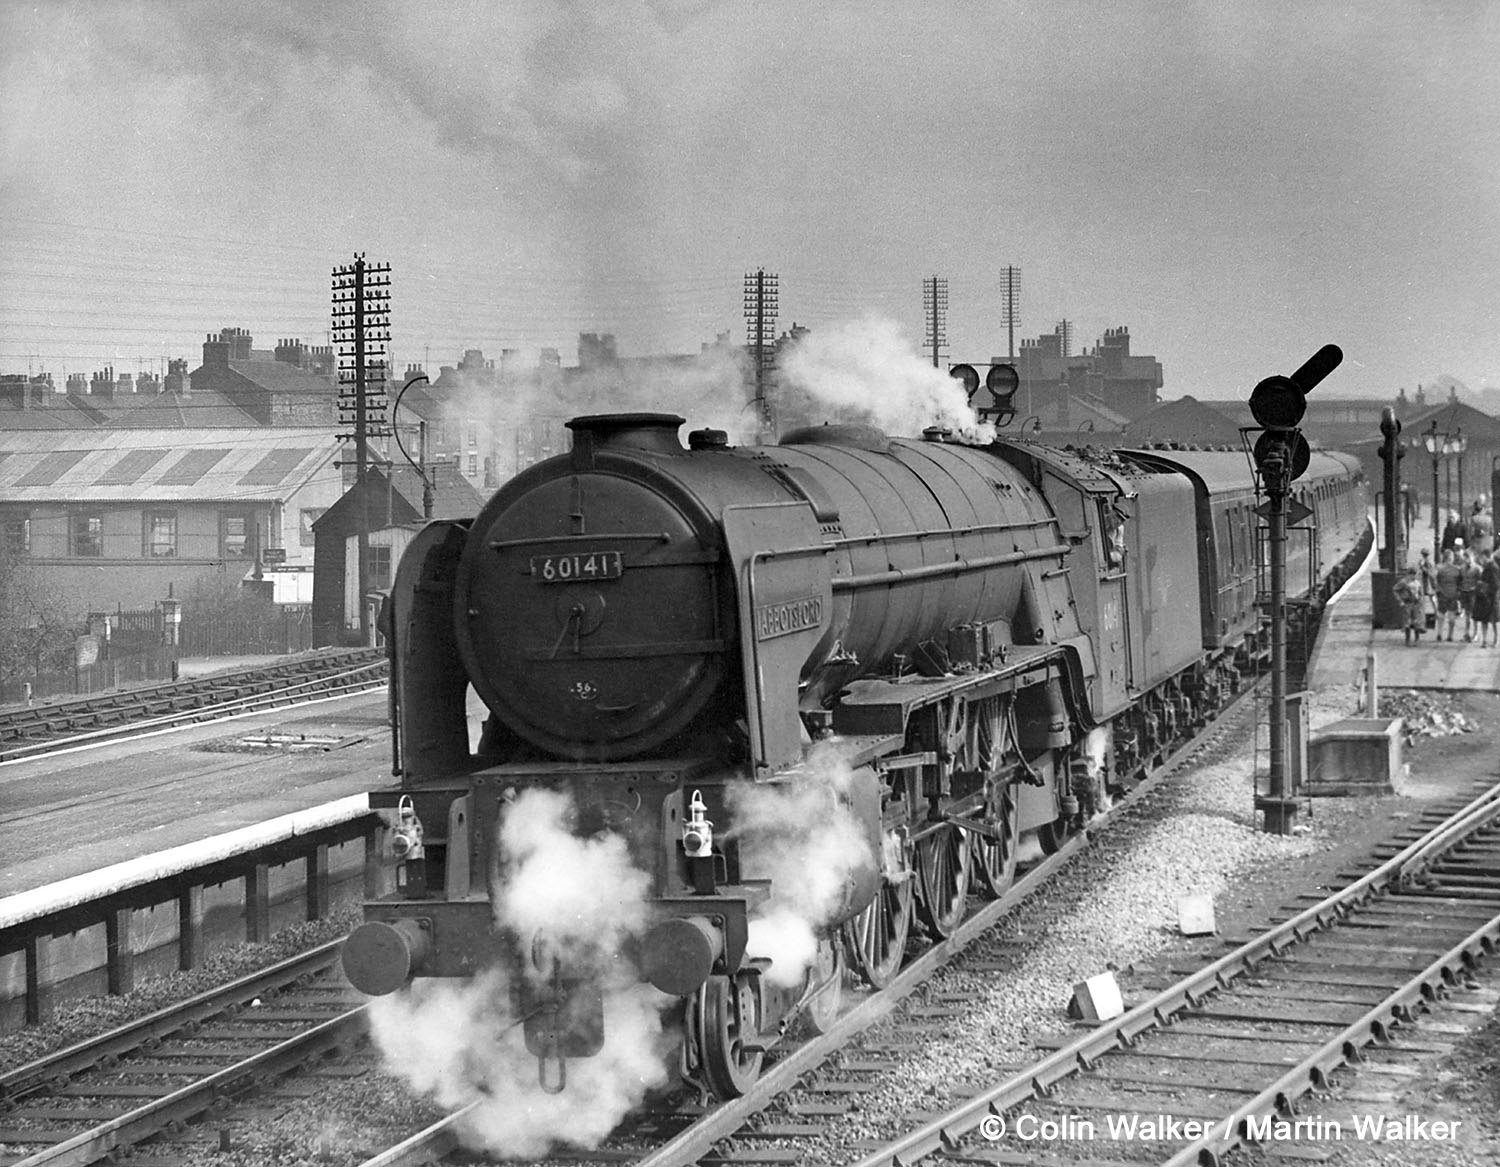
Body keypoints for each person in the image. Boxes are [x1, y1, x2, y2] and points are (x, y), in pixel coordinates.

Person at [1434, 548, 1463, 641]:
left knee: (1441, 614)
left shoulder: (1439, 568)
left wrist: (1437, 589)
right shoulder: (1457, 570)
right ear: (1452, 558)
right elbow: (1460, 582)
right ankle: (1450, 635)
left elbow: (1435, 580)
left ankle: (1439, 633)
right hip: (1453, 594)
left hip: (1442, 593)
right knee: (1452, 616)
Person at [1475, 548, 1500, 648]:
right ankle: (1489, 640)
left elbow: (1496, 584)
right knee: (1490, 619)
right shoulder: (1492, 566)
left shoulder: (1492, 566)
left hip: (1490, 597)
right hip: (1490, 596)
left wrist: (1483, 585)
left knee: (1492, 620)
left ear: (1486, 556)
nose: (1482, 559)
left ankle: (1494, 640)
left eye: (1483, 557)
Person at [1394, 567, 1425, 646]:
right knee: (1407, 622)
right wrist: (1400, 600)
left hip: (1416, 603)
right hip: (1407, 603)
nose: (1414, 576)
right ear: (1409, 574)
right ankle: (1407, 640)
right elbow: (1395, 589)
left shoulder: (1417, 582)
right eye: (1413, 574)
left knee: (1417, 621)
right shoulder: (1404, 582)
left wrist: (1421, 600)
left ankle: (1417, 639)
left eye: (1416, 575)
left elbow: (1420, 592)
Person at [1459, 545, 1481, 641]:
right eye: (1465, 558)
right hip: (1465, 592)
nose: (1467, 560)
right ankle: (1467, 633)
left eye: (1468, 557)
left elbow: (1481, 582)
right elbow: (1460, 579)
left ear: (1472, 557)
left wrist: (1475, 588)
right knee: (1467, 614)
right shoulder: (1462, 568)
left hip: (1473, 593)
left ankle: (1476, 633)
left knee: (1475, 614)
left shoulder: (1477, 569)